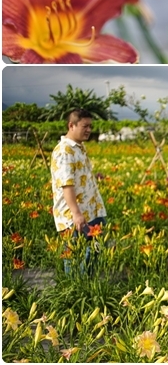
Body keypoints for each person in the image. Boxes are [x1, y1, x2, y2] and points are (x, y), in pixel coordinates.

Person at [50, 108, 106, 273]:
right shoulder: (64, 151)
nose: (89, 130)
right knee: (76, 262)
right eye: (85, 126)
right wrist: (76, 213)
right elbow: (67, 184)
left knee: (92, 259)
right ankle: (75, 296)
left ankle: (87, 293)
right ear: (71, 125)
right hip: (75, 218)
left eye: (90, 126)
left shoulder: (78, 147)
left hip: (91, 212)